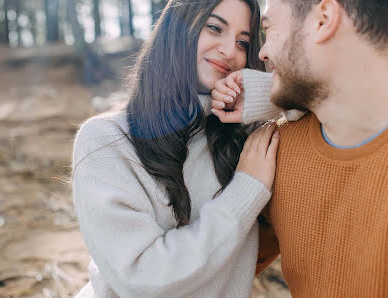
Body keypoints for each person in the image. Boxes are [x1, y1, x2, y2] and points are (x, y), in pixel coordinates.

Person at [71, 0, 285, 297]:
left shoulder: (245, 140)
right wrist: (245, 191)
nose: (229, 51)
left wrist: (267, 95)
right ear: (177, 30)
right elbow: (143, 278)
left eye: (242, 42)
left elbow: (325, 111)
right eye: (214, 28)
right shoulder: (106, 140)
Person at [211, 0, 388, 296]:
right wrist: (270, 91)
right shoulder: (277, 152)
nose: (261, 53)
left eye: (269, 30)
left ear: (323, 19)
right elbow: (207, 273)